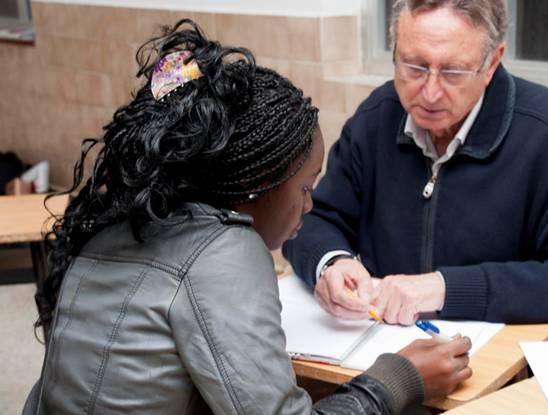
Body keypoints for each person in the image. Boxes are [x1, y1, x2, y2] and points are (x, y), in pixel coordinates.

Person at [23, 19, 473, 415]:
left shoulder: (127, 216)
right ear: (258, 182)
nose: (310, 205)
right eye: (305, 188)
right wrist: (399, 377)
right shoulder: (225, 250)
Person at [283, 0, 548, 340]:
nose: (430, 93)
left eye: (453, 72)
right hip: (394, 357)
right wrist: (331, 262)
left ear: (492, 62)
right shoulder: (378, 118)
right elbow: (310, 218)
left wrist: (446, 289)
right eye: (414, 66)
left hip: (515, 371)